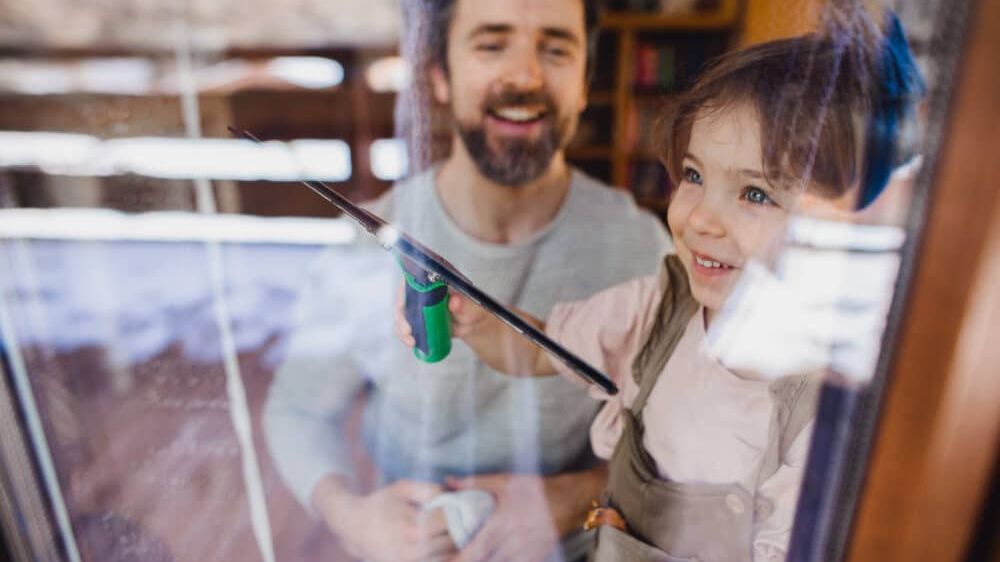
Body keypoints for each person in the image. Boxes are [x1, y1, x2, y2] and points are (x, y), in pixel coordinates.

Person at [396, 24, 902, 562]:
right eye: (693, 175)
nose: (699, 217)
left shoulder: (819, 412)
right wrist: (480, 324)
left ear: (837, 229)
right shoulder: (657, 308)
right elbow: (542, 347)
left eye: (755, 193)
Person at [263, 0, 671, 560]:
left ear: (583, 82)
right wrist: (351, 516)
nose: (525, 76)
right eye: (491, 43)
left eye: (555, 49)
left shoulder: (645, 249)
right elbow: (298, 410)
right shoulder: (366, 243)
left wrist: (576, 495)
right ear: (439, 77)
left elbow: (678, 440)